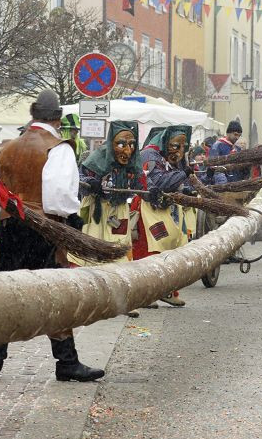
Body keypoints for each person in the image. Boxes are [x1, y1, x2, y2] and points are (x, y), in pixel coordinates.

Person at [0, 90, 105, 383]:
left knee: (5, 292)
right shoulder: (58, 148)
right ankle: (67, 362)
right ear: (58, 119)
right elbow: (59, 197)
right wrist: (71, 219)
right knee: (53, 295)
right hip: (44, 230)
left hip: (12, 229)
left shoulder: (7, 148)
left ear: (32, 114)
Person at [133, 125, 196, 306]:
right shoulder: (149, 155)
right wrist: (183, 174)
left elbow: (179, 181)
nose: (180, 150)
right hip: (148, 210)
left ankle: (166, 290)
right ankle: (145, 293)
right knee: (150, 252)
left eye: (184, 146)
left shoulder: (175, 157)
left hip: (168, 209)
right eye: (177, 145)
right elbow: (160, 182)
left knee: (172, 248)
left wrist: (189, 189)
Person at [72, 120, 141, 267]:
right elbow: (79, 179)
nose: (128, 151)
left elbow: (142, 183)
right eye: (122, 145)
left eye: (132, 145)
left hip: (119, 212)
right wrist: (91, 183)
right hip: (95, 211)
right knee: (91, 252)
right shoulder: (97, 159)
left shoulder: (133, 164)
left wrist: (152, 190)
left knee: (118, 252)